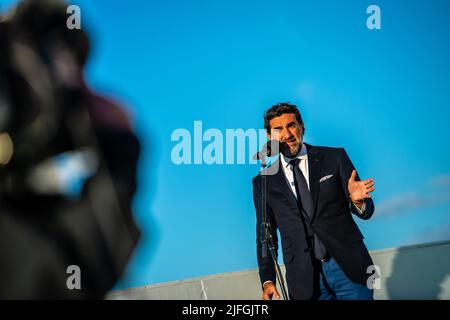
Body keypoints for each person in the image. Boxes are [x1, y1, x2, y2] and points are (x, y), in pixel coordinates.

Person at [253, 102, 377, 300]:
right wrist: (267, 280)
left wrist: (358, 201)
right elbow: (265, 236)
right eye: (278, 129)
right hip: (304, 281)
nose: (287, 134)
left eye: (291, 125)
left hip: (349, 268)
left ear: (302, 127)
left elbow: (367, 210)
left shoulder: (334, 158)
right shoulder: (263, 182)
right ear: (270, 137)